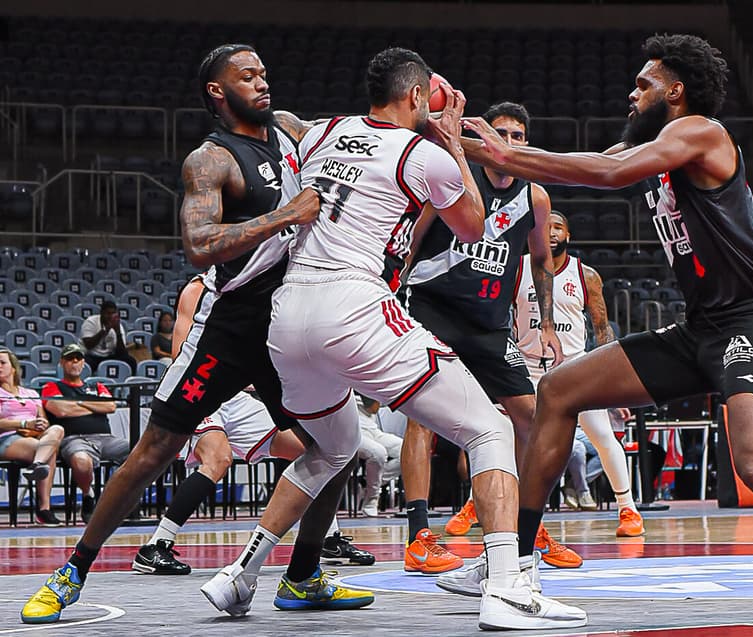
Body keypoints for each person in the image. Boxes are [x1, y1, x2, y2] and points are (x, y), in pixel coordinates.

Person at [202, 47, 587, 631]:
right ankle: (508, 588)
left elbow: (288, 124)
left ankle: (240, 573)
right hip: (353, 307)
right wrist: (453, 138)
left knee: (330, 448)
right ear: (416, 98)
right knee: (490, 428)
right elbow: (473, 225)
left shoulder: (323, 131)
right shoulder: (421, 153)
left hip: (289, 318)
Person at [459, 34, 753, 566]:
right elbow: (591, 160)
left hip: (749, 318)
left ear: (676, 92)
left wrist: (504, 153)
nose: (632, 94)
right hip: (700, 327)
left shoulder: (698, 132)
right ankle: (514, 560)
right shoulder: (653, 147)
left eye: (644, 85)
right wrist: (473, 148)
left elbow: (606, 174)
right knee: (558, 389)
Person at [21, 44, 368, 625]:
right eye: (247, 76)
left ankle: (303, 575)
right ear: (217, 90)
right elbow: (199, 246)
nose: (263, 82)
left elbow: (362, 140)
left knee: (337, 447)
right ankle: (70, 572)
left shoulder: (288, 131)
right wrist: (287, 215)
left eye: (264, 73)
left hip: (290, 329)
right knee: (154, 450)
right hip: (229, 328)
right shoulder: (210, 160)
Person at [401, 102, 581, 573]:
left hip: (490, 322)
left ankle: (528, 528)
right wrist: (393, 286)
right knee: (423, 418)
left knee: (533, 417)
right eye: (499, 132)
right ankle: (419, 536)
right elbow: (415, 237)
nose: (509, 140)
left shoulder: (536, 197)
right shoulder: (454, 174)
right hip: (432, 306)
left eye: (518, 135)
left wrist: (544, 325)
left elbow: (541, 261)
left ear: (525, 142)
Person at [132, 277, 374, 575]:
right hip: (204, 390)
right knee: (218, 460)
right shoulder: (198, 290)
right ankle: (156, 545)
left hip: (242, 398)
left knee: (317, 450)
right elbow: (182, 352)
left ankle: (327, 537)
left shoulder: (256, 284)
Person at [512, 212, 644, 536]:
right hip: (528, 367)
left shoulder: (586, 276)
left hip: (574, 368)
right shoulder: (517, 269)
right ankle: (476, 505)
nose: (552, 232)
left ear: (568, 235)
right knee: (508, 438)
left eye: (559, 227)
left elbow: (602, 332)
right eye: (547, 226)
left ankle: (628, 510)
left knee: (602, 435)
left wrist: (614, 386)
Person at [41, 344, 129, 523]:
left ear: (83, 363)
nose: (74, 362)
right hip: (74, 439)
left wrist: (78, 402)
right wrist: (93, 406)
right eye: (69, 359)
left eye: (78, 359)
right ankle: (88, 495)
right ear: (62, 363)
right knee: (81, 462)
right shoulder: (52, 386)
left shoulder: (97, 386)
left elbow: (110, 406)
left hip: (106, 439)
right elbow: (60, 411)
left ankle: (121, 500)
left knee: (139, 450)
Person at [0, 348, 64, 526]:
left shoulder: (31, 394)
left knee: (56, 429)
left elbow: (42, 419)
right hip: (6, 438)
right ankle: (44, 509)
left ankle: (36, 465)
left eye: (2, 363)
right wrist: (22, 424)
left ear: (13, 368)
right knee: (48, 451)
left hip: (35, 437)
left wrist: (41, 424)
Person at [355, 393, 402, 517]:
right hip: (353, 432)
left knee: (405, 450)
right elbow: (373, 407)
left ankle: (368, 484)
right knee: (378, 452)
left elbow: (373, 408)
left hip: (373, 430)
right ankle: (371, 499)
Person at [80, 300, 138, 374]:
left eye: (113, 313)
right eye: (108, 313)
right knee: (85, 363)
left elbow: (122, 353)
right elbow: (88, 345)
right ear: (101, 313)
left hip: (108, 356)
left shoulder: (118, 326)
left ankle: (131, 384)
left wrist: (118, 332)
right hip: (91, 355)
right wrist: (105, 330)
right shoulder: (90, 322)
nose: (110, 316)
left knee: (130, 361)